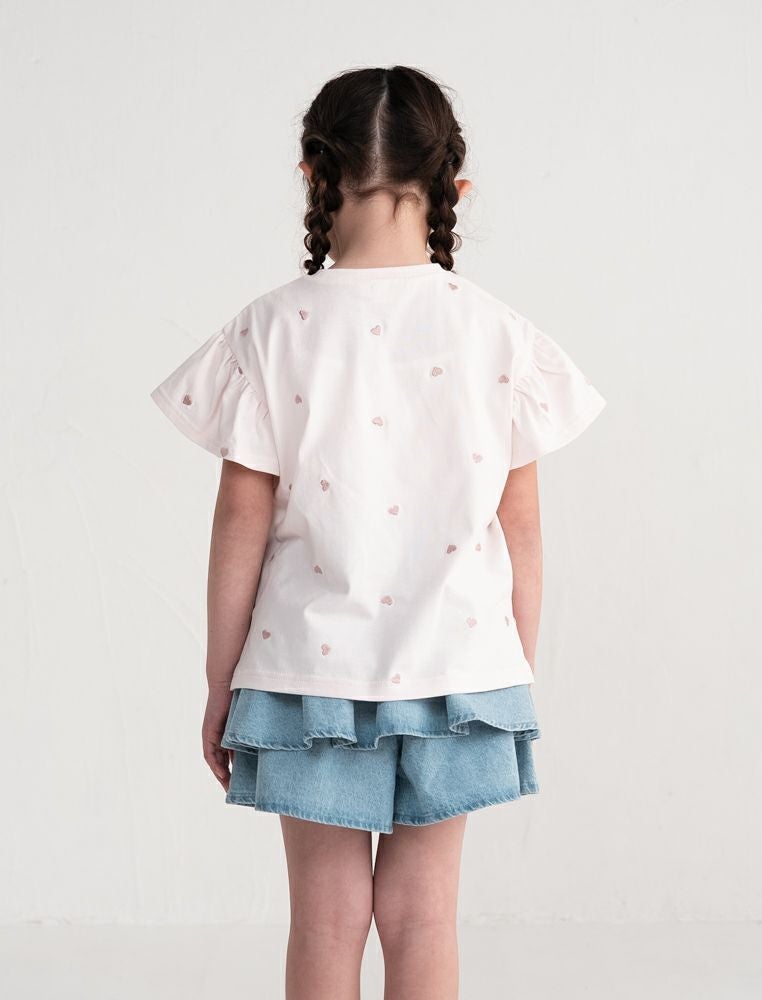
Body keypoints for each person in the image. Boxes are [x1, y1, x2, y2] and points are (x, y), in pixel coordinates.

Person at [149, 65, 606, 1000]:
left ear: (313, 176)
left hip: (304, 674)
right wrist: (511, 665)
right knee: (424, 917)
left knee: (325, 921)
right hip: (460, 671)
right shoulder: (498, 336)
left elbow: (239, 522)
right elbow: (522, 529)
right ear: (451, 186)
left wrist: (220, 680)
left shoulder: (270, 331)